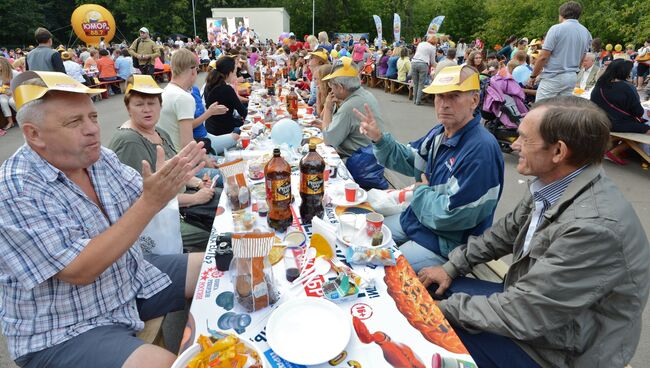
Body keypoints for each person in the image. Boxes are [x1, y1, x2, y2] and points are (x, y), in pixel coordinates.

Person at [419, 96, 650, 368]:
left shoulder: (593, 227)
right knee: (434, 289)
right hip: (543, 316)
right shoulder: (555, 183)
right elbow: (502, 234)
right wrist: (451, 266)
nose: (514, 145)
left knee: (432, 334)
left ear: (558, 152)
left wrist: (436, 313)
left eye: (524, 139)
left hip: (564, 352)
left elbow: (525, 313)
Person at [1, 71, 206, 368]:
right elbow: (80, 269)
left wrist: (169, 183)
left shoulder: (99, 158)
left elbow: (144, 192)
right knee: (171, 364)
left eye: (93, 117)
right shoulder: (14, 190)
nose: (92, 130)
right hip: (64, 327)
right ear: (34, 134)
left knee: (217, 265)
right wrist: (152, 201)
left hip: (125, 282)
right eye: (74, 122)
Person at [354, 65, 504, 272]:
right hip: (419, 220)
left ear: (474, 100)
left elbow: (456, 215)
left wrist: (420, 192)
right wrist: (379, 139)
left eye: (453, 96)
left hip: (446, 243)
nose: (444, 104)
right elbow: (412, 159)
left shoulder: (481, 150)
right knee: (362, 238)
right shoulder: (440, 132)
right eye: (439, 96)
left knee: (382, 268)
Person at [108, 75, 213, 249]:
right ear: (128, 108)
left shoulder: (159, 132)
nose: (146, 109)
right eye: (139, 104)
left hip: (177, 203)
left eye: (152, 103)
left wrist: (197, 182)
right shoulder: (129, 141)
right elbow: (142, 199)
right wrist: (194, 198)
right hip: (157, 220)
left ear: (160, 106)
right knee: (212, 236)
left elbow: (170, 169)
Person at [319, 57, 385, 159]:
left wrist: (328, 108)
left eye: (331, 84)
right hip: (371, 157)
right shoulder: (364, 94)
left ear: (340, 87)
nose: (330, 88)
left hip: (356, 162)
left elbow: (328, 140)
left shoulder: (349, 107)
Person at [528, 1, 592, 101]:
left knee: (541, 109)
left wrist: (533, 76)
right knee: (561, 110)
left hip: (554, 76)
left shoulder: (556, 29)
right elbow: (582, 57)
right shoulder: (586, 32)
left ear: (562, 14)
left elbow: (543, 57)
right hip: (571, 76)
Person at [590, 59, 649, 165]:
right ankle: (615, 152)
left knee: (632, 125)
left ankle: (612, 149)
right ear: (625, 72)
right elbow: (638, 112)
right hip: (617, 124)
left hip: (599, 121)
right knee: (645, 129)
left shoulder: (599, 84)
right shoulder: (627, 87)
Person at [203, 56, 248, 137]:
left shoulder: (210, 84)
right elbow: (243, 112)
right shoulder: (226, 89)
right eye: (234, 71)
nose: (235, 74)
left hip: (211, 128)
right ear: (229, 72)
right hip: (224, 131)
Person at [0, 57, 19, 130]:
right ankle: (10, 122)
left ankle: (23, 117)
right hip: (5, 94)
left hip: (15, 93)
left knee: (11, 101)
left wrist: (12, 92)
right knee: (2, 101)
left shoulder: (14, 73)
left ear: (4, 64)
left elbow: (21, 83)